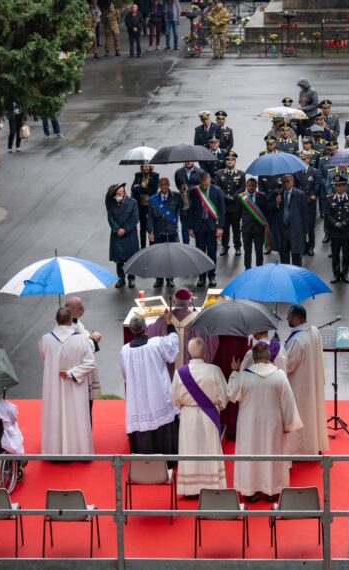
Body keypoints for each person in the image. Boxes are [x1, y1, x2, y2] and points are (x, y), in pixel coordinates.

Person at [228, 342, 303, 502]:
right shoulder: (279, 375)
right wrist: (289, 424)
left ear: (253, 358)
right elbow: (288, 403)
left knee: (251, 454)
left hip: (249, 426)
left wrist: (234, 371)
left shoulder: (244, 376)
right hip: (273, 425)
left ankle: (251, 491)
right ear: (268, 357)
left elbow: (232, 395)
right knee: (272, 454)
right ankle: (272, 490)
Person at [170, 338, 229, 496]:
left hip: (188, 416)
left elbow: (174, 397)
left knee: (190, 450)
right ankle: (212, 484)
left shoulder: (179, 373)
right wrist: (217, 406)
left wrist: (185, 405)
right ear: (204, 352)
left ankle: (191, 489)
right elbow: (224, 396)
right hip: (209, 415)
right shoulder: (214, 370)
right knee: (209, 449)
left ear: (189, 352)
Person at [120, 316, 181, 455]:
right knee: (161, 418)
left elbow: (125, 375)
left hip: (138, 396)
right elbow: (173, 347)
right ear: (146, 328)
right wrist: (170, 326)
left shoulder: (124, 350)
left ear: (131, 330)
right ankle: (167, 458)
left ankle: (143, 460)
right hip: (157, 391)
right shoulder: (156, 343)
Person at [39, 308, 97, 455]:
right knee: (76, 416)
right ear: (71, 320)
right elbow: (90, 363)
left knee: (55, 413)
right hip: (75, 386)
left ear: (56, 319)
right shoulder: (82, 339)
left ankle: (54, 450)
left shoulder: (45, 339)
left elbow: (44, 356)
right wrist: (72, 373)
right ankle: (79, 450)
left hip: (53, 386)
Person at [284, 305, 328, 456]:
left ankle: (299, 450)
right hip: (312, 382)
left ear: (296, 318)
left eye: (289, 316)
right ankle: (313, 446)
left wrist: (279, 351)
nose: (287, 319)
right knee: (311, 416)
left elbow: (288, 365)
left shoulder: (297, 340)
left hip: (300, 386)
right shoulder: (314, 330)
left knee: (301, 416)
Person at [187, 172, 225, 288]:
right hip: (199, 226)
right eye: (203, 185)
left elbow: (222, 210)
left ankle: (212, 276)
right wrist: (190, 227)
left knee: (212, 252)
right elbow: (190, 210)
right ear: (200, 182)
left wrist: (220, 227)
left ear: (210, 182)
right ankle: (201, 277)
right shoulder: (194, 191)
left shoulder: (217, 191)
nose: (205, 187)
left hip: (212, 225)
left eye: (207, 184)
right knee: (200, 253)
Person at [65, 297, 103, 409]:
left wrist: (90, 335)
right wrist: (93, 339)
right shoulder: (69, 327)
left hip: (80, 371)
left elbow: (83, 334)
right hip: (79, 371)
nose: (84, 309)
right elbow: (81, 347)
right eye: (81, 308)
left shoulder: (75, 321)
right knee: (83, 407)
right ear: (72, 310)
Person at [147, 177, 183, 287]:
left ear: (169, 185)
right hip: (158, 232)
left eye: (166, 184)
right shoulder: (153, 199)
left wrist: (185, 194)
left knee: (170, 257)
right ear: (159, 185)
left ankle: (170, 278)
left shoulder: (176, 197)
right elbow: (150, 217)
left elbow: (186, 206)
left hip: (171, 232)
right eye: (161, 184)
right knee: (158, 257)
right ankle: (159, 279)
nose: (164, 186)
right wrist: (150, 231)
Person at [106, 183, 139, 288]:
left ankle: (131, 278)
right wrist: (116, 229)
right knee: (119, 259)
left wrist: (125, 229)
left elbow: (135, 218)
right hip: (117, 234)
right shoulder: (111, 203)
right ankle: (121, 278)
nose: (118, 196)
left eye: (120, 193)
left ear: (124, 192)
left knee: (131, 257)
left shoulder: (132, 203)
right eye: (116, 194)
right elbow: (110, 218)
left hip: (129, 234)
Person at [325, 175, 349, 283]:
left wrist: (344, 223)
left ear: (345, 186)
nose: (337, 187)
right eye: (336, 185)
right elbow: (327, 214)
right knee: (335, 254)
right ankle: (336, 273)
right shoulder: (329, 199)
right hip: (335, 231)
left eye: (340, 185)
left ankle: (345, 273)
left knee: (346, 254)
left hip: (346, 231)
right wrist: (336, 224)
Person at [275, 174, 310, 267]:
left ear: (292, 182)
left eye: (288, 182)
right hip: (283, 230)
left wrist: (305, 233)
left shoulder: (300, 194)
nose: (286, 184)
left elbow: (305, 214)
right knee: (284, 258)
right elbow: (271, 210)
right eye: (283, 182)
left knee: (296, 259)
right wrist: (276, 204)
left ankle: (297, 278)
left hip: (296, 230)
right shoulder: (278, 194)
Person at [215, 151, 245, 256]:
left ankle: (237, 247)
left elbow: (242, 188)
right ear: (225, 161)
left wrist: (234, 197)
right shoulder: (219, 173)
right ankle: (225, 246)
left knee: (236, 228)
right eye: (227, 159)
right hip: (224, 206)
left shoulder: (240, 174)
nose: (230, 162)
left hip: (236, 206)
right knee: (225, 227)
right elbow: (218, 188)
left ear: (235, 161)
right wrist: (226, 197)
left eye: (232, 160)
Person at [238, 178, 270, 269]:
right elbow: (239, 212)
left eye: (253, 185)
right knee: (247, 251)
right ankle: (247, 269)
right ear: (246, 186)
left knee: (259, 251)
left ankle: (259, 269)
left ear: (256, 186)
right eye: (249, 185)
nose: (251, 187)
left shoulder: (262, 196)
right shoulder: (241, 197)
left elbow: (266, 211)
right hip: (246, 229)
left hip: (259, 229)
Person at [174, 161, 203, 244]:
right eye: (186, 160)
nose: (188, 162)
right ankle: (186, 245)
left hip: (196, 204)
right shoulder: (179, 172)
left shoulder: (200, 172)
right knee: (185, 226)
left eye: (190, 160)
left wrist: (190, 188)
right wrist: (182, 189)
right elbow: (178, 185)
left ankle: (199, 245)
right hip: (184, 203)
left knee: (197, 226)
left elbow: (203, 187)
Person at [131, 164, 159, 249]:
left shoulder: (155, 175)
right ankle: (143, 247)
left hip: (150, 205)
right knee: (142, 227)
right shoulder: (138, 175)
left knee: (151, 227)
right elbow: (132, 189)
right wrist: (140, 188)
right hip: (140, 205)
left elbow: (153, 190)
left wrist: (141, 188)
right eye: (142, 166)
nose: (144, 168)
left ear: (150, 167)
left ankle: (152, 246)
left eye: (146, 166)